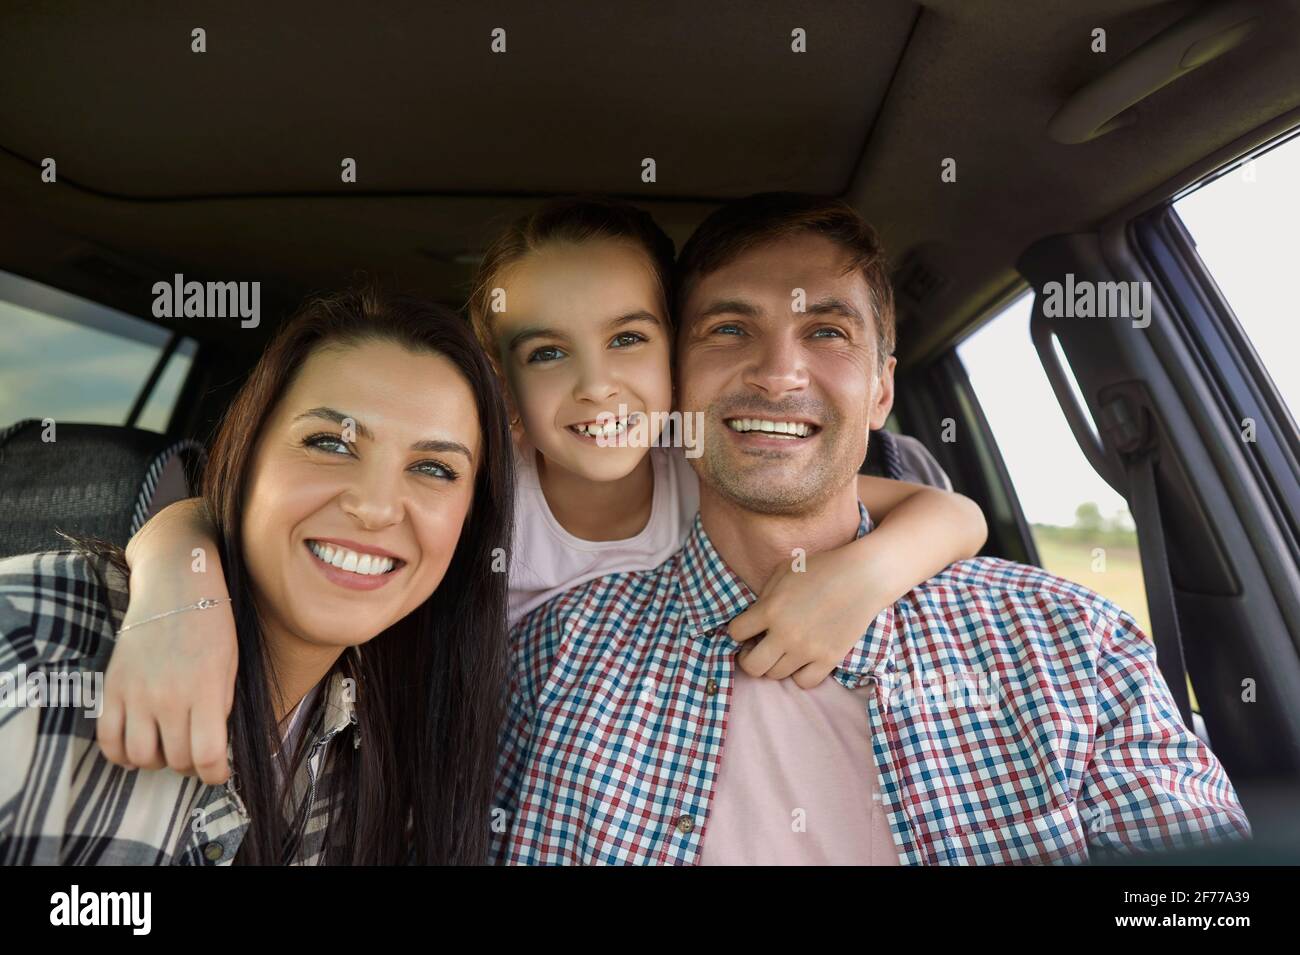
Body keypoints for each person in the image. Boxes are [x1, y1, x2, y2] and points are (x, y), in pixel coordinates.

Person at [97, 196, 989, 791]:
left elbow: (950, 511)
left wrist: (860, 578)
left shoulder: (704, 474)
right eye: (549, 353)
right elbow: (216, 513)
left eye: (630, 340)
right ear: (504, 393)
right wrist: (178, 584)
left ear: (680, 361)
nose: (598, 388)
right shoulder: (468, 487)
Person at [493, 192, 1251, 865]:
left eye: (826, 332)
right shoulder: (548, 659)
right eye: (728, 328)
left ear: (883, 387)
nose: (778, 373)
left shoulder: (1075, 644)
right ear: (676, 385)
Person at [0, 288, 514, 864]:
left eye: (432, 468)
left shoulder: (376, 740)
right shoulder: (28, 644)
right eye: (330, 443)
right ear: (245, 456)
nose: (376, 506)